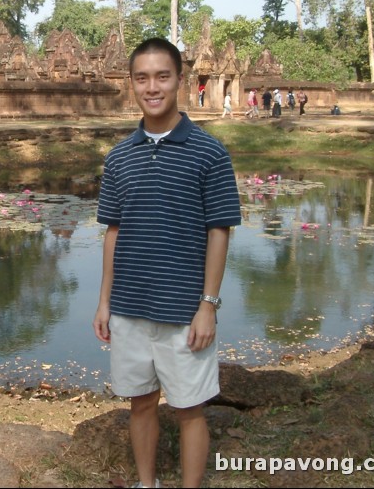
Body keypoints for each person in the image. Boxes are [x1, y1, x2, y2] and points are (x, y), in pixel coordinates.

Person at [93, 37, 242, 489]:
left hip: (184, 309)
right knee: (140, 401)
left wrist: (208, 304)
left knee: (189, 408)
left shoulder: (208, 152)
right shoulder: (119, 157)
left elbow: (220, 230)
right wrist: (104, 303)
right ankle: (147, 483)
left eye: (162, 76)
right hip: (130, 305)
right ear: (131, 84)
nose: (152, 87)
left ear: (180, 80)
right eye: (142, 78)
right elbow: (113, 232)